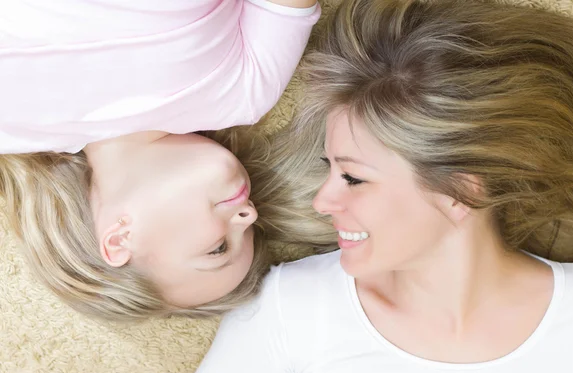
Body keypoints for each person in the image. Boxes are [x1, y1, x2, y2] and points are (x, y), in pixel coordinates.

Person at [195, 0, 573, 373]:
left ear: (462, 191)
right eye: (330, 169)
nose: (322, 201)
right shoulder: (291, 310)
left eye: (353, 178)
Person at [0, 0, 335, 321]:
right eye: (249, 231)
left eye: (218, 248)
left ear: (120, 240)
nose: (249, 215)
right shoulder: (245, 93)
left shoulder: (11, 126)